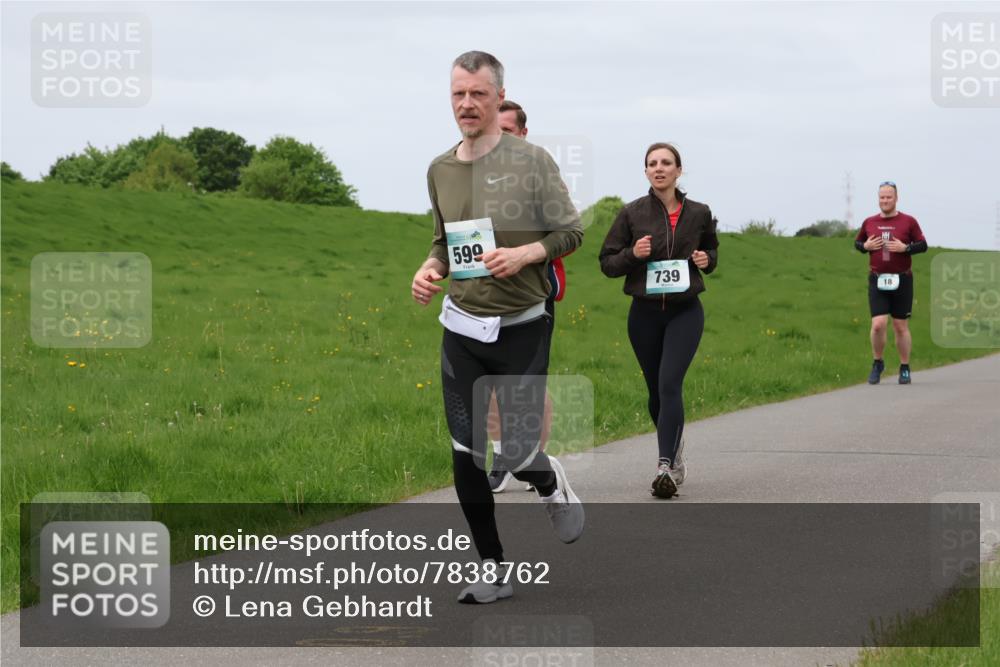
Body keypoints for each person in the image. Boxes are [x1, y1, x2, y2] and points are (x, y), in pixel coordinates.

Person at [410, 51, 585, 603]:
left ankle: (549, 481)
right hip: (461, 326)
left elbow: (570, 232)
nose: (467, 103)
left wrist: (526, 253)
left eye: (478, 94)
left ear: (496, 96)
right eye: (459, 93)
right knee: (465, 451)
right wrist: (429, 268)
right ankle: (493, 568)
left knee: (515, 452)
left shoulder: (532, 161)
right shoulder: (440, 168)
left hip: (522, 326)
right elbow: (443, 240)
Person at [598, 143, 718, 499]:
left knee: (669, 384)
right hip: (644, 315)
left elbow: (713, 252)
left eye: (666, 163)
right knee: (655, 392)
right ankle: (675, 449)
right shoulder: (632, 213)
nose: (659, 168)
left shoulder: (699, 212)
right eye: (652, 164)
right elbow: (607, 262)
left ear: (679, 170)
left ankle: (665, 465)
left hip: (685, 311)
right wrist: (633, 254)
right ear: (646, 172)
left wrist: (705, 260)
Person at [486, 100, 566, 494]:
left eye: (508, 131)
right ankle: (502, 455)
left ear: (523, 134)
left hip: (534, 294)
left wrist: (524, 250)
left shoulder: (540, 172)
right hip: (485, 295)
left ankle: (534, 459)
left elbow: (566, 234)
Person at [854, 181, 927, 385]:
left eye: (888, 197)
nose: (885, 201)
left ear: (896, 198)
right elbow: (858, 243)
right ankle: (877, 363)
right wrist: (865, 246)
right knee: (878, 325)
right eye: (882, 197)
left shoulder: (909, 221)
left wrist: (906, 248)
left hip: (902, 279)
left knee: (900, 326)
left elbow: (923, 245)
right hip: (877, 279)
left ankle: (904, 367)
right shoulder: (869, 222)